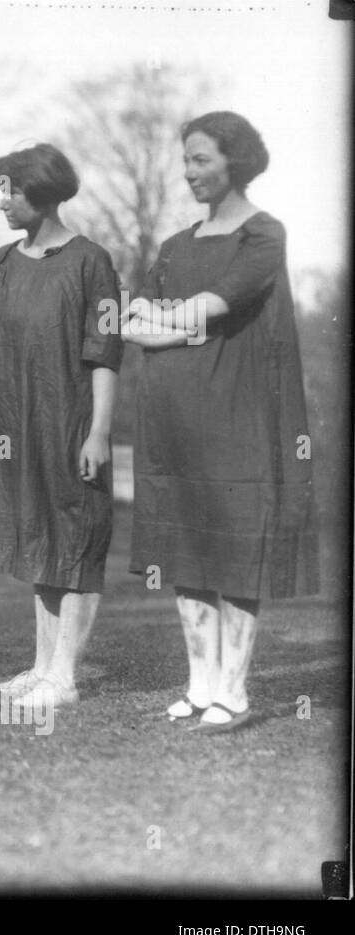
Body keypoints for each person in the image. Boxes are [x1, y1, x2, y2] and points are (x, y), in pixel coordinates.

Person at [122, 112, 317, 733]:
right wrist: (169, 326)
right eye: (186, 161)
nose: (189, 173)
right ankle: (199, 684)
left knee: (235, 553)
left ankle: (233, 693)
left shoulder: (263, 235)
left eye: (201, 159)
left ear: (235, 161)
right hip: (172, 417)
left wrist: (166, 328)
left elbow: (211, 306)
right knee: (186, 552)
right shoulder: (176, 246)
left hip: (237, 416)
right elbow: (131, 321)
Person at [0, 143, 122, 710]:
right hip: (15, 421)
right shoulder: (0, 264)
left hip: (71, 421)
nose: (3, 201)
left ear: (42, 191)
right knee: (39, 539)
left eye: (11, 190)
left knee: (76, 540)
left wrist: (99, 432)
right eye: (1, 189)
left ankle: (65, 677)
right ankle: (41, 669)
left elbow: (105, 353)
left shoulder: (91, 261)